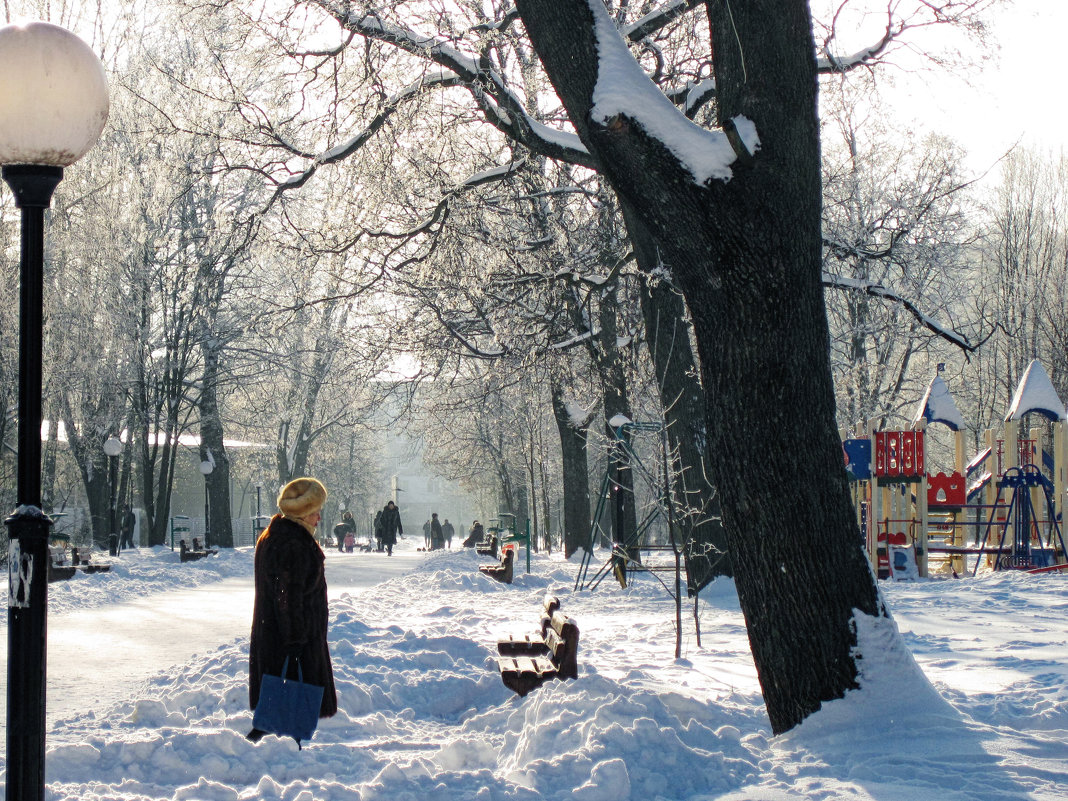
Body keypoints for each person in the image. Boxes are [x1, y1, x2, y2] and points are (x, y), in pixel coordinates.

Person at [247, 477, 337, 742]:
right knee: (290, 701)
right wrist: (296, 640)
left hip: (275, 635)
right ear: (302, 514)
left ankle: (271, 743)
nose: (319, 517)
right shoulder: (293, 545)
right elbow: (288, 597)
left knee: (278, 703)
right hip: (290, 640)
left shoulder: (276, 536)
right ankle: (277, 753)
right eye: (314, 511)